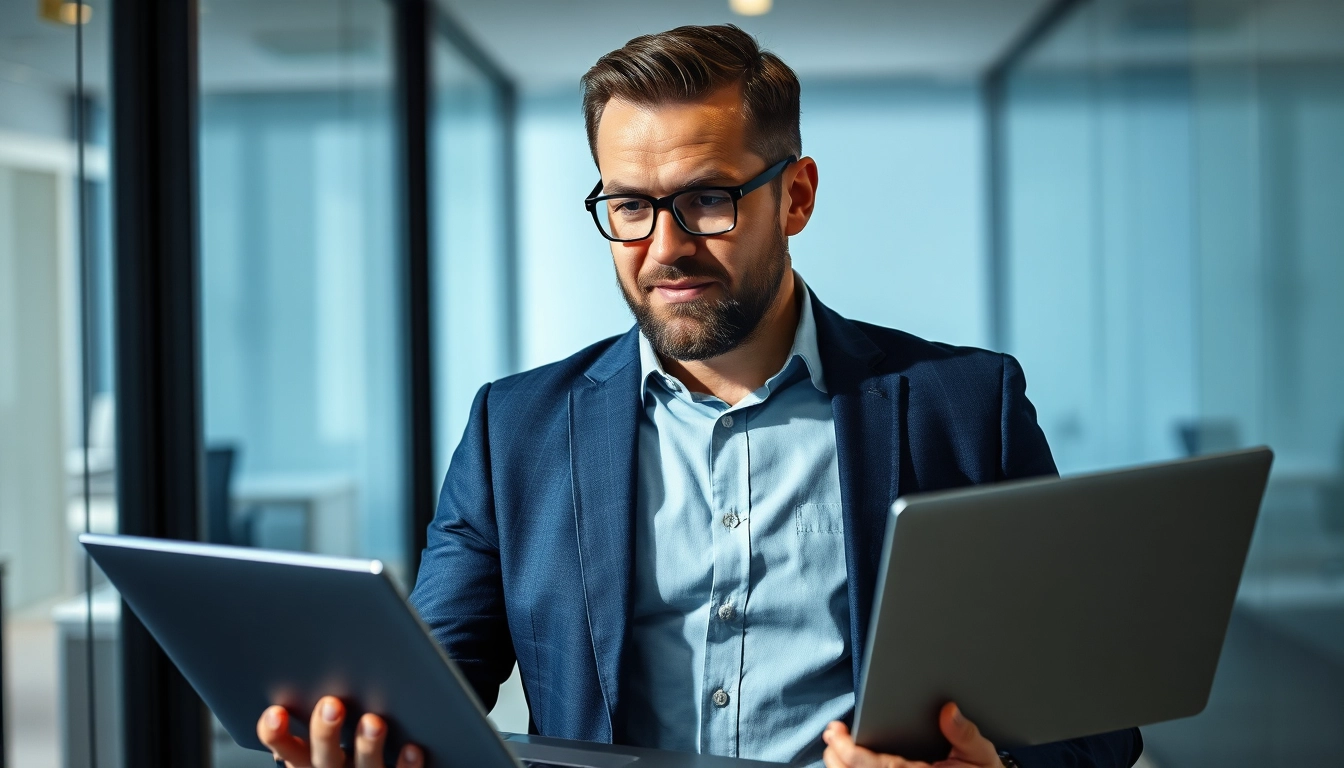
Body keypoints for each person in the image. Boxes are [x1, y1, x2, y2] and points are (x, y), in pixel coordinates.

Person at [257, 24, 1143, 768]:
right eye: (630, 206)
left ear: (794, 197)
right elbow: (435, 683)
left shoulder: (966, 407)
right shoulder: (513, 429)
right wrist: (364, 738)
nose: (663, 246)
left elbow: (1095, 722)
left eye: (707, 200)